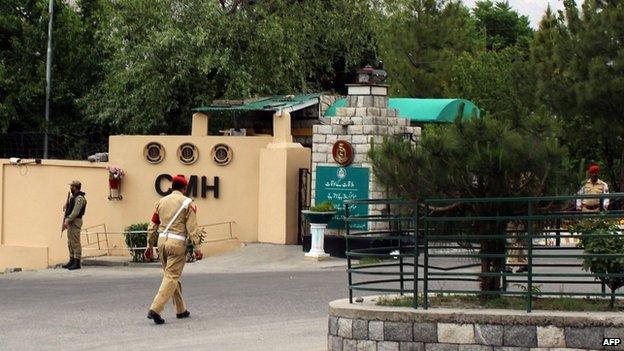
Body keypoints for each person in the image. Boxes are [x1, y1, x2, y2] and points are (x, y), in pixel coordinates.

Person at [145, 175, 203, 325]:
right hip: (177, 243)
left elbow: (152, 225)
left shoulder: (160, 202)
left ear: (172, 187)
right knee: (171, 276)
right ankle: (155, 309)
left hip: (162, 242)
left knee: (170, 275)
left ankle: (181, 309)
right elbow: (192, 228)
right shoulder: (188, 203)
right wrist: (197, 247)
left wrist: (149, 245)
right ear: (184, 189)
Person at [61, 180, 87, 270]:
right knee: (70, 242)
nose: (70, 188)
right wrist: (66, 205)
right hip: (71, 221)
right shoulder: (73, 197)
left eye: (71, 186)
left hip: (75, 221)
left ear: (75, 187)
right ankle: (71, 260)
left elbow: (76, 212)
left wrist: (67, 220)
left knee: (75, 241)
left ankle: (77, 262)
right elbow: (70, 205)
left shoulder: (80, 198)